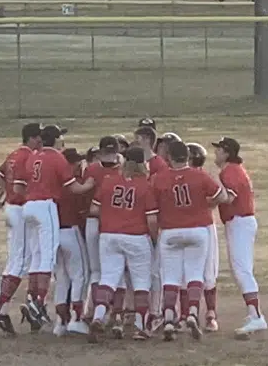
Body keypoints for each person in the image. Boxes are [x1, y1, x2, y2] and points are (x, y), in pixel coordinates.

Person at [147, 141, 227, 341]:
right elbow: (222, 196)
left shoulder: (159, 178)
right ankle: (192, 312)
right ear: (188, 157)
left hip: (170, 231)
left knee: (171, 278)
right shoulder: (199, 175)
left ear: (169, 158)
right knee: (194, 274)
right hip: (197, 230)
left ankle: (168, 318)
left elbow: (152, 211)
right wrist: (207, 203)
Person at [19, 125, 95, 330]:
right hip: (48, 209)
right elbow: (74, 188)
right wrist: (90, 184)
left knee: (40, 257)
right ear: (56, 140)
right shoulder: (57, 159)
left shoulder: (33, 156)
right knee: (53, 261)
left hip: (29, 206)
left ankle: (36, 300)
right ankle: (39, 302)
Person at [87, 147, 153, 342]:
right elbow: (152, 219)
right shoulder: (146, 185)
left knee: (108, 278)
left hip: (109, 235)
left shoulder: (109, 181)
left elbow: (94, 209)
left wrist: (112, 215)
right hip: (136, 235)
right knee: (141, 281)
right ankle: (140, 326)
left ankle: (98, 315)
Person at [0, 123, 42, 335]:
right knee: (19, 262)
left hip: (13, 208)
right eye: (38, 137)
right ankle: (0, 308)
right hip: (19, 209)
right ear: (32, 138)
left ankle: (26, 305)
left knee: (25, 258)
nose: (41, 141)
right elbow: (20, 185)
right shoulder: (27, 157)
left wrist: (6, 193)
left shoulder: (14, 154)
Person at [212, 137, 267, 337]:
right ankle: (254, 313)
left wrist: (211, 195)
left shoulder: (231, 171)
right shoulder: (233, 170)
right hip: (240, 222)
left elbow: (229, 197)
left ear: (226, 152)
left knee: (242, 270)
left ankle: (256, 316)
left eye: (218, 150)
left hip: (240, 222)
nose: (215, 153)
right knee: (241, 270)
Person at [177, 143, 219, 333]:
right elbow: (220, 196)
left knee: (194, 272)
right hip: (203, 226)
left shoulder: (193, 176)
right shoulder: (202, 176)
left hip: (196, 226)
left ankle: (195, 315)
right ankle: (207, 315)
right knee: (203, 271)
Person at [82, 136, 122, 328]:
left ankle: (93, 311)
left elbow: (83, 190)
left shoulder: (92, 169)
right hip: (113, 225)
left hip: (92, 221)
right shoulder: (121, 171)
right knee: (116, 271)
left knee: (96, 271)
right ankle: (113, 313)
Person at [134, 125, 168, 333]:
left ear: (147, 139)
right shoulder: (138, 161)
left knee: (155, 272)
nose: (135, 139)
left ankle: (155, 313)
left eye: (137, 137)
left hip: (153, 220)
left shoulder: (158, 164)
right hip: (136, 224)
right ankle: (136, 313)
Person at [53, 148, 90, 337]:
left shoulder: (51, 182)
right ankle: (76, 319)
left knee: (62, 277)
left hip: (53, 234)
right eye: (76, 162)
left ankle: (60, 322)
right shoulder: (74, 184)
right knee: (79, 275)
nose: (79, 166)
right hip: (71, 230)